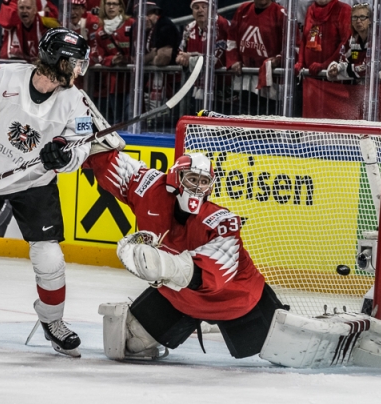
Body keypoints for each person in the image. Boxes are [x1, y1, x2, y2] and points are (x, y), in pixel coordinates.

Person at [0, 28, 92, 358]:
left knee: (49, 256)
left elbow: (82, 146)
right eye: (77, 63)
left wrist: (64, 155)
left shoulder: (75, 101)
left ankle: (53, 321)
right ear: (61, 62)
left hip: (34, 181)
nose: (81, 70)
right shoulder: (2, 75)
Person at [85, 142, 288, 361]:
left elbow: (213, 274)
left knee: (286, 351)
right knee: (129, 345)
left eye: (203, 182)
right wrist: (70, 148)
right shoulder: (149, 188)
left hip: (236, 300)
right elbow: (104, 158)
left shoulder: (221, 221)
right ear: (175, 177)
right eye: (192, 179)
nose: (197, 187)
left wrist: (160, 264)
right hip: (180, 298)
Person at [226, 0, 286, 115]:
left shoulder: (281, 14)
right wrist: (234, 60)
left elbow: (293, 46)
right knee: (243, 125)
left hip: (270, 86)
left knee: (267, 127)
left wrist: (278, 59)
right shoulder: (242, 10)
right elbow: (231, 38)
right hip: (244, 82)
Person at [175, 0, 231, 115]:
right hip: (199, 88)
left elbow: (216, 61)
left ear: (212, 9)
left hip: (224, 88)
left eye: (204, 7)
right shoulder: (189, 28)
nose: (200, 10)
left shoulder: (221, 25)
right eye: (196, 7)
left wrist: (190, 58)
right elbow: (180, 54)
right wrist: (181, 58)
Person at [327, 2, 381, 82]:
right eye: (355, 17)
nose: (358, 21)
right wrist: (336, 67)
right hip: (364, 87)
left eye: (362, 17)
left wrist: (342, 70)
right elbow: (342, 60)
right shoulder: (353, 38)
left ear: (370, 20)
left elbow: (368, 70)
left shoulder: (379, 36)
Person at [90, 0, 135, 124]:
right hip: (113, 84)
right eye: (108, 4)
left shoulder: (131, 24)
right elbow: (100, 57)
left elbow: (139, 49)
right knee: (117, 120)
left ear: (121, 6)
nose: (111, 7)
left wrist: (127, 59)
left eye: (114, 4)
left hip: (132, 82)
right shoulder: (100, 32)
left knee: (131, 118)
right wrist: (113, 60)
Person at [297, 0, 352, 77]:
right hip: (308, 75)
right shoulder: (310, 9)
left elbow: (345, 43)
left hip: (332, 76)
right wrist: (300, 62)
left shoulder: (344, 9)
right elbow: (304, 39)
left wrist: (325, 65)